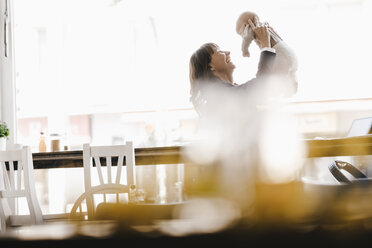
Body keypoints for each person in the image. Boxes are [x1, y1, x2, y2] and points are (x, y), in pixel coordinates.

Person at [235, 11, 298, 96]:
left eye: (241, 33)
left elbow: (246, 39)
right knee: (291, 72)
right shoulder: (265, 26)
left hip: (279, 55)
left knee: (274, 76)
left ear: (245, 26)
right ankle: (292, 88)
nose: (242, 36)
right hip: (289, 52)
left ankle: (277, 94)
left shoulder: (252, 28)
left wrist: (245, 50)